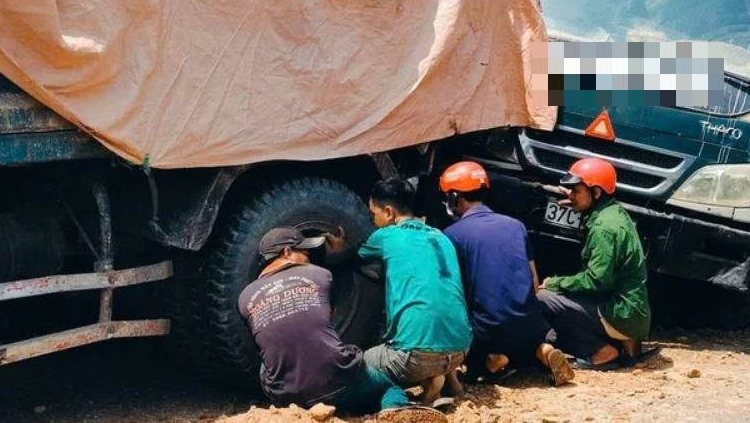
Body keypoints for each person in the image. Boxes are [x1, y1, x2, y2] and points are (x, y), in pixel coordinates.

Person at [238, 227, 445, 422]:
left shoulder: (245, 297)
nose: (308, 257)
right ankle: (395, 409)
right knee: (388, 388)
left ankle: (309, 406)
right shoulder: (319, 274)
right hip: (337, 378)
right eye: (305, 252)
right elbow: (327, 316)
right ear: (287, 251)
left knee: (267, 360)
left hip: (287, 394)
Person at [439, 161, 574, 386]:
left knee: (470, 338)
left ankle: (493, 358)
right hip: (530, 324)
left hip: (488, 330)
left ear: (455, 197)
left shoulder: (452, 235)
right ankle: (542, 350)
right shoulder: (516, 226)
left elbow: (452, 292)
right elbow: (534, 280)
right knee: (525, 334)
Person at [359, 178, 473, 406]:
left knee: (359, 365)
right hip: (461, 350)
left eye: (374, 214)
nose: (374, 220)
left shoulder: (385, 236)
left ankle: (423, 389)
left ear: (389, 212)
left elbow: (356, 259)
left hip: (415, 357)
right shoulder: (442, 237)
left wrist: (338, 246)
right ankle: (448, 378)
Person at [536, 157, 657, 370]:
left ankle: (601, 352)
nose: (571, 196)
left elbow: (596, 281)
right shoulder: (613, 213)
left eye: (576, 191)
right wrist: (578, 200)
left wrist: (554, 283)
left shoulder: (603, 228)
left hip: (621, 314)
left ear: (597, 193)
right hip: (630, 313)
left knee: (544, 298)